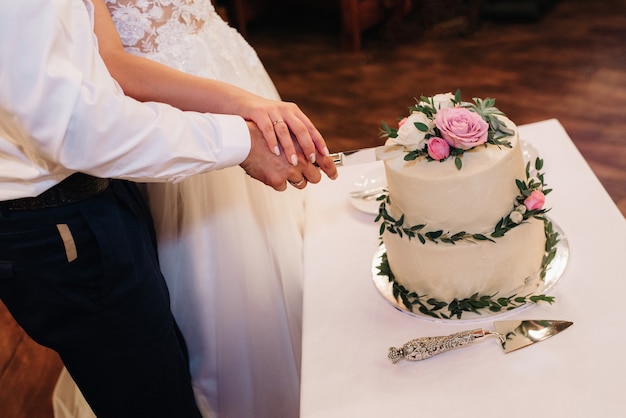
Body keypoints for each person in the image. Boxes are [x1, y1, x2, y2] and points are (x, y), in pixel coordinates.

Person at [0, 1, 337, 418]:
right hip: (88, 183)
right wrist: (237, 130)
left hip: (165, 122)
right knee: (167, 366)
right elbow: (77, 114)